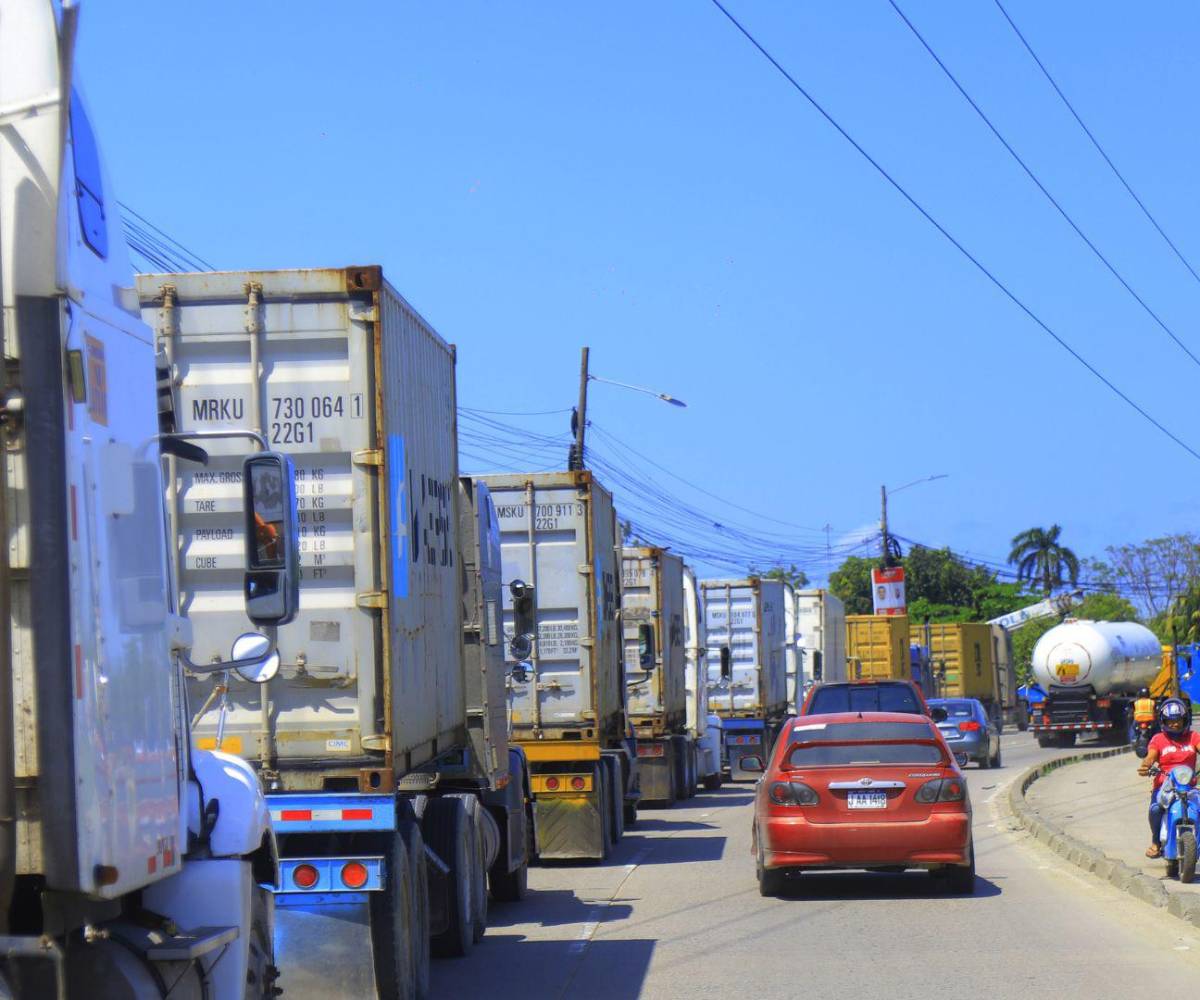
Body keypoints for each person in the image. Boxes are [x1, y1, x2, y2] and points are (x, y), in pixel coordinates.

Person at [1138, 698, 1200, 858]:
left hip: (1189, 787)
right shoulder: (1158, 739)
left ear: (1185, 720)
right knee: (1156, 809)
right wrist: (1146, 765)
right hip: (1165, 787)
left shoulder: (1193, 737)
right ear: (1164, 721)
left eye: (1178, 720)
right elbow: (1151, 756)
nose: (1175, 724)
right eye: (1171, 721)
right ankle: (1156, 842)